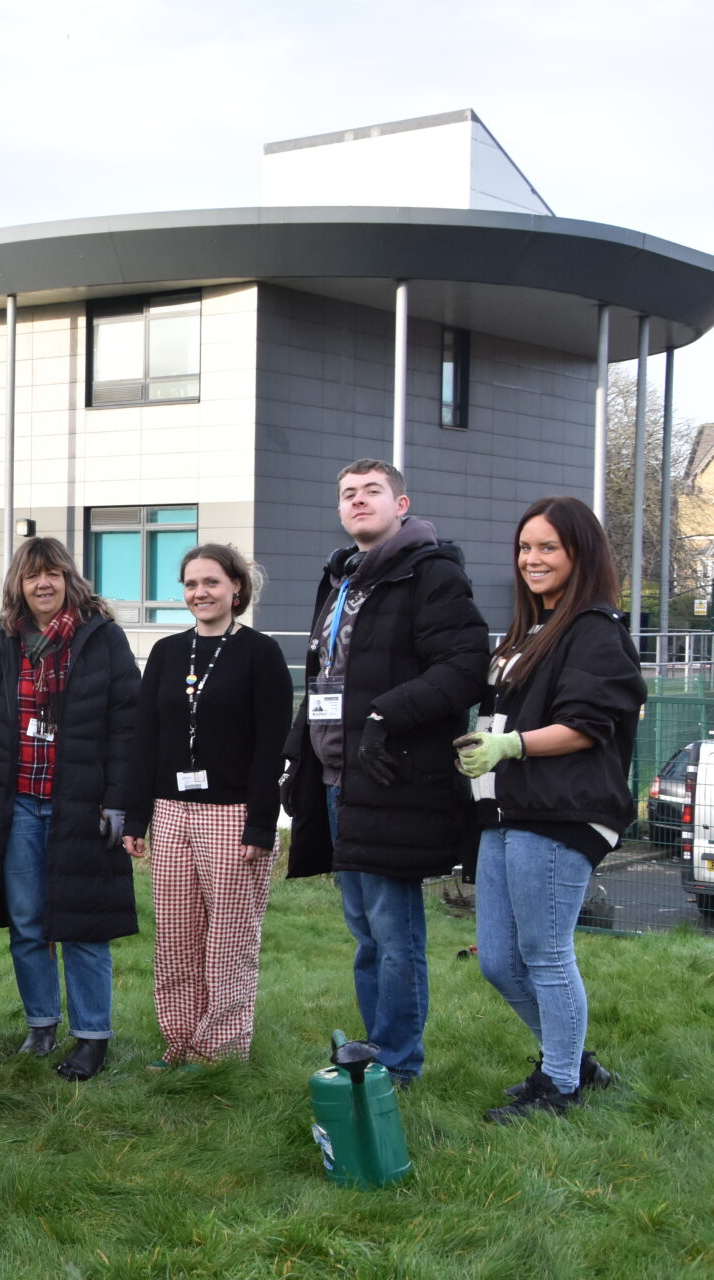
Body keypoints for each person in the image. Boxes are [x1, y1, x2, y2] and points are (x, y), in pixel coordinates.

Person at [281, 459, 488, 1086]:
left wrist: (382, 715)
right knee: (365, 933)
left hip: (393, 777)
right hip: (336, 777)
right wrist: (299, 750)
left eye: (373, 491)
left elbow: (464, 667)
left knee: (395, 934)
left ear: (402, 505)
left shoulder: (431, 573)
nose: (358, 501)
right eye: (348, 494)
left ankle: (399, 1063)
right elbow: (322, 676)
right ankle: (375, 1053)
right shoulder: (343, 577)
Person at [454, 495, 642, 1123]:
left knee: (545, 952)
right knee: (500, 962)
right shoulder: (528, 630)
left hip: (561, 813)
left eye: (547, 548)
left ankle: (559, 1086)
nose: (531, 559)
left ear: (579, 553)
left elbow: (588, 726)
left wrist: (510, 745)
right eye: (524, 547)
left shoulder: (595, 629)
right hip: (507, 814)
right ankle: (576, 1061)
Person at [0, 536, 139, 1083]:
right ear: (18, 583)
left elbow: (127, 727)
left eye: (54, 573)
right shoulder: (0, 645)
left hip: (82, 808)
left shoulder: (101, 640)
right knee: (29, 924)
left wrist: (119, 801)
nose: (44, 584)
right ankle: (40, 1027)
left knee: (83, 926)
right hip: (18, 808)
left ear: (69, 579)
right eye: (34, 575)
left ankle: (91, 1038)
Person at [123, 544, 292, 1066]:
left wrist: (262, 825)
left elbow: (272, 747)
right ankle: (180, 1042)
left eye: (212, 583)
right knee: (175, 939)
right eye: (192, 584)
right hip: (170, 811)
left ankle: (220, 1051)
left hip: (233, 814)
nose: (201, 593)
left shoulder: (261, 654)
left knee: (229, 942)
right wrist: (136, 817)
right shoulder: (168, 653)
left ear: (236, 588)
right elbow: (145, 738)